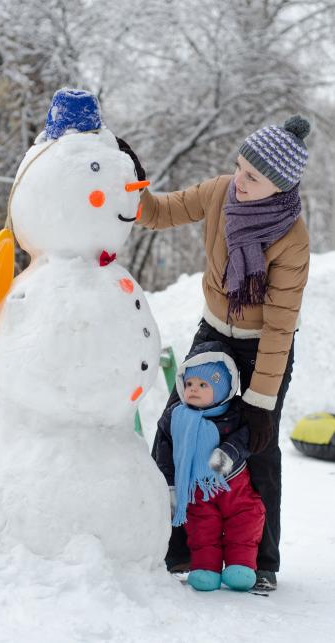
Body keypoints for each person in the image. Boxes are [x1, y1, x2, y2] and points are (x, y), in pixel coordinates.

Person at [132, 115, 311, 592]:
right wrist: (131, 183)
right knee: (176, 426)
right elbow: (159, 212)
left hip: (262, 348)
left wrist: (259, 402)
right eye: (239, 167)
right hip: (213, 334)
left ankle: (262, 560)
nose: (240, 180)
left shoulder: (291, 238)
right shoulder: (220, 193)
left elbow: (279, 325)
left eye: (253, 177)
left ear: (279, 186)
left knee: (257, 445)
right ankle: (175, 547)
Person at [156, 340, 265, 592]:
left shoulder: (236, 412)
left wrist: (227, 454)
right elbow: (165, 451)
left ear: (223, 389)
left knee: (244, 521)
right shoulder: (175, 416)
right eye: (190, 383)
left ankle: (241, 566)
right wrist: (171, 485)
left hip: (234, 485)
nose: (193, 390)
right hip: (197, 489)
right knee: (202, 527)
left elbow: (246, 437)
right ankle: (206, 569)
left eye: (203, 385)